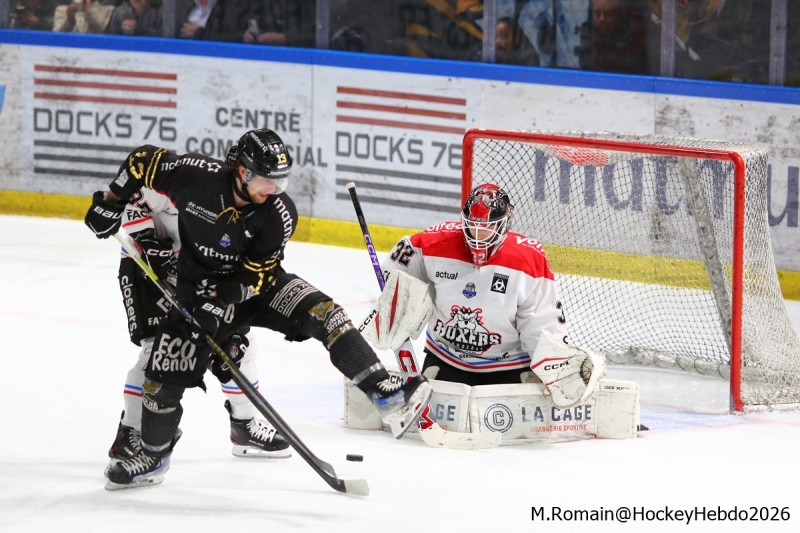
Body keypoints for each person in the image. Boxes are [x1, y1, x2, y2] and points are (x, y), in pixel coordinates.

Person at [84, 128, 431, 489]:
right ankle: (153, 457)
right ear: (243, 171)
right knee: (160, 376)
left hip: (255, 290)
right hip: (194, 294)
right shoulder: (195, 177)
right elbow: (142, 160)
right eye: (267, 179)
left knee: (326, 313)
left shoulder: (279, 213)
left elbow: (256, 276)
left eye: (280, 180)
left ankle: (380, 388)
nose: (274, 189)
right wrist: (111, 202)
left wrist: (220, 310)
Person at [106, 186, 291, 475]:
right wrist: (145, 236)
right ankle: (131, 436)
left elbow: (251, 274)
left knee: (241, 344)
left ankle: (244, 426)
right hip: (146, 268)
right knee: (158, 351)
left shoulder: (260, 212)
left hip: (198, 277)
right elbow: (130, 194)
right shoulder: (192, 180)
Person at [378, 183, 575, 387]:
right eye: (473, 225)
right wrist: (394, 303)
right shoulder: (434, 244)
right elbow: (396, 270)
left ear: (504, 224)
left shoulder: (528, 259)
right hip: (447, 358)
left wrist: (552, 371)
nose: (478, 234)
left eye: (487, 227)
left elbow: (541, 320)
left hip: (509, 364)